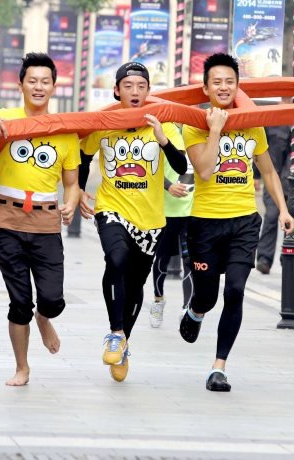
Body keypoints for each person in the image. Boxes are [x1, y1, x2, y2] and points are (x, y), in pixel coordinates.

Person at [0, 53, 80, 386]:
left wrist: (70, 203)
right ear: (21, 84)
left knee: (52, 299)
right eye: (32, 80)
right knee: (19, 301)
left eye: (45, 81)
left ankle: (44, 318)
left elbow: (72, 184)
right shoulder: (3, 119)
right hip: (8, 223)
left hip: (47, 225)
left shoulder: (65, 131)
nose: (38, 87)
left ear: (53, 86)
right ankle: (22, 367)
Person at [178, 53, 294, 391]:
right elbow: (204, 170)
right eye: (217, 82)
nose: (224, 87)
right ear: (206, 88)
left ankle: (219, 367)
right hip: (205, 222)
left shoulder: (251, 123)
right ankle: (196, 310)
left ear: (238, 86)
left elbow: (268, 171)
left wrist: (283, 210)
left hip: (244, 220)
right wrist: (215, 129)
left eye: (230, 81)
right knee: (207, 296)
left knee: (235, 290)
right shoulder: (194, 124)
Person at [79, 62, 187, 382]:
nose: (135, 91)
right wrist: (78, 190)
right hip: (111, 207)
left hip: (151, 219)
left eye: (141, 86)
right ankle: (115, 333)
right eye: (128, 86)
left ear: (149, 91)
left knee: (136, 284)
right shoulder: (104, 122)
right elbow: (83, 156)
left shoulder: (162, 124)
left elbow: (181, 165)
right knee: (116, 259)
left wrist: (162, 139)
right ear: (117, 90)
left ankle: (123, 340)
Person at [150, 152, 194, 327]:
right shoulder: (164, 137)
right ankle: (158, 299)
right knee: (162, 260)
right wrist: (169, 186)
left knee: (190, 261)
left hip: (191, 210)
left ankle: (187, 308)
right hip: (166, 210)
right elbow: (150, 169)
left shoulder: (200, 138)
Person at [255, 121, 291, 275]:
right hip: (273, 179)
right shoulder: (270, 122)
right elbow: (259, 149)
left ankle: (288, 257)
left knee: (293, 220)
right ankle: (264, 259)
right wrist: (256, 175)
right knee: (270, 216)